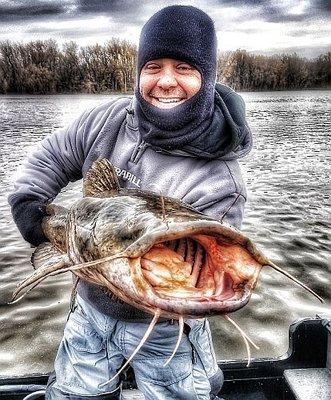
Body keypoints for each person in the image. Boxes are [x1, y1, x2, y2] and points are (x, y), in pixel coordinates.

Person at [9, 5, 252, 400]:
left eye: (185, 68)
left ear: (207, 78)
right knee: (76, 392)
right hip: (88, 310)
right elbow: (50, 157)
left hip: (165, 329)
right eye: (153, 66)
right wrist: (29, 204)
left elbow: (201, 277)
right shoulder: (110, 119)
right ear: (139, 72)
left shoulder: (221, 183)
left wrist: (100, 260)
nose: (166, 81)